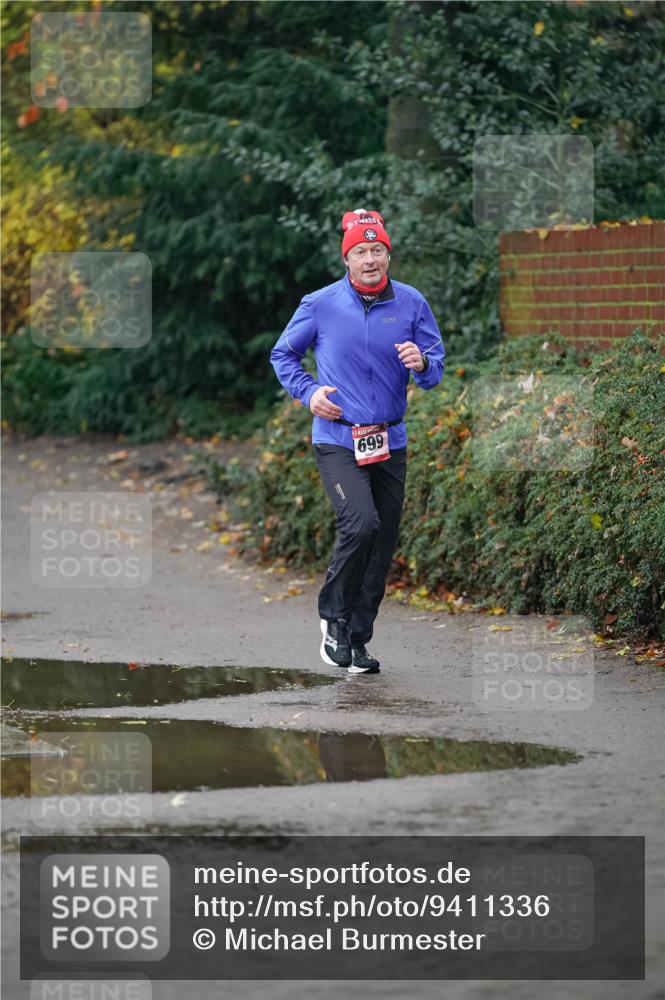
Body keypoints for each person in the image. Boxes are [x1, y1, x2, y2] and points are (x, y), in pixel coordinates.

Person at [270, 209, 445, 674]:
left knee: (383, 542)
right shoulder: (320, 304)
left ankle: (357, 638)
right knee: (361, 524)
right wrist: (309, 394)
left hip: (390, 440)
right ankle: (332, 619)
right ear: (346, 259)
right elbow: (283, 353)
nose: (370, 259)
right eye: (360, 252)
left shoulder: (411, 303)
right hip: (338, 438)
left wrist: (422, 364)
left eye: (377, 250)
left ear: (389, 255)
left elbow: (435, 367)